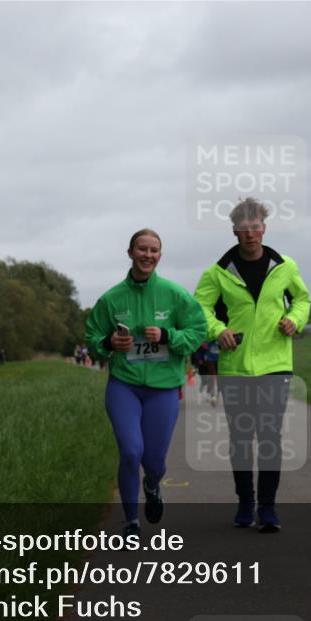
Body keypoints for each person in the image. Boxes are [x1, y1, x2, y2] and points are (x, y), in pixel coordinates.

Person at [194, 197, 311, 533]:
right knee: (242, 438)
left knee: (270, 436)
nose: (251, 234)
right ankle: (246, 502)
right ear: (235, 231)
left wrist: (294, 319)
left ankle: (268, 508)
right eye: (244, 229)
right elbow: (198, 309)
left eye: (256, 227)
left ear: (264, 228)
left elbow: (302, 299)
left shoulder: (284, 265)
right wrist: (219, 330)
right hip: (236, 366)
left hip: (275, 364)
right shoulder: (216, 273)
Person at [85, 229, 207, 539]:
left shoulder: (175, 295)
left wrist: (168, 336)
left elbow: (197, 333)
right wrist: (110, 343)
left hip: (163, 388)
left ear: (160, 256)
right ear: (130, 252)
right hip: (124, 385)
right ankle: (131, 521)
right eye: (142, 249)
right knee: (130, 451)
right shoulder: (111, 299)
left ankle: (152, 486)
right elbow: (92, 340)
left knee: (153, 462)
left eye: (154, 251)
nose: (147, 255)